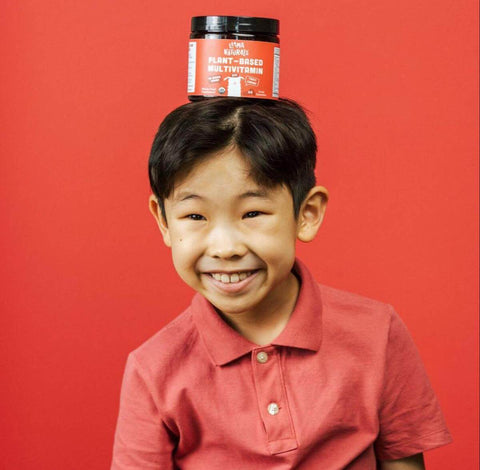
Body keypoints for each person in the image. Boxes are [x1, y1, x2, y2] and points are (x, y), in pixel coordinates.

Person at [111, 97, 452, 469]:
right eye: (195, 215)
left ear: (306, 213)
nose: (225, 248)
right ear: (163, 221)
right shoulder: (153, 369)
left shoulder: (377, 333)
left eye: (252, 213)